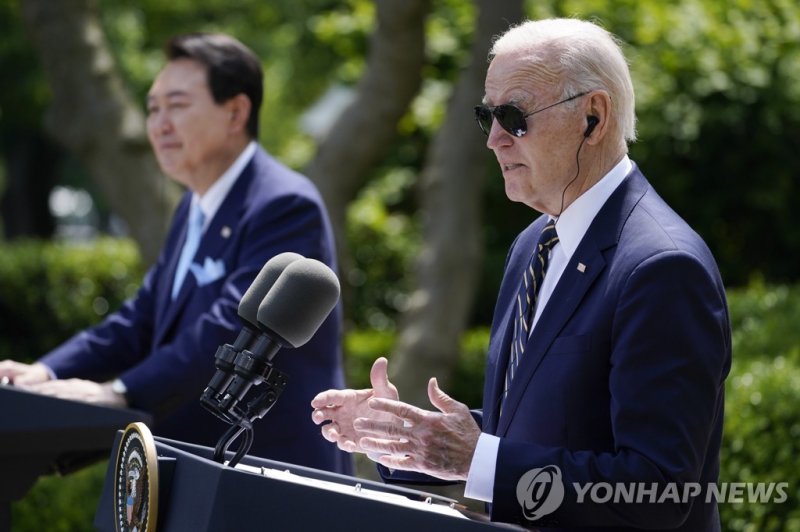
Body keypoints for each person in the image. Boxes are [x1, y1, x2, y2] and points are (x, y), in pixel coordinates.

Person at [311, 18, 731, 529]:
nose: (494, 140)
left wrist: (473, 458)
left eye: (513, 116)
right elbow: (542, 433)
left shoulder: (663, 267)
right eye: (486, 115)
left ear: (593, 118)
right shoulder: (534, 243)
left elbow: (658, 490)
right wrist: (411, 438)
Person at [0, 32, 352, 475]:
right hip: (195, 466)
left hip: (268, 472)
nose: (159, 124)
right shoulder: (193, 205)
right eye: (153, 108)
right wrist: (45, 374)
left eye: (178, 105)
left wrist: (121, 391)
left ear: (236, 111)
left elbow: (227, 331)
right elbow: (141, 318)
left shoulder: (284, 204)